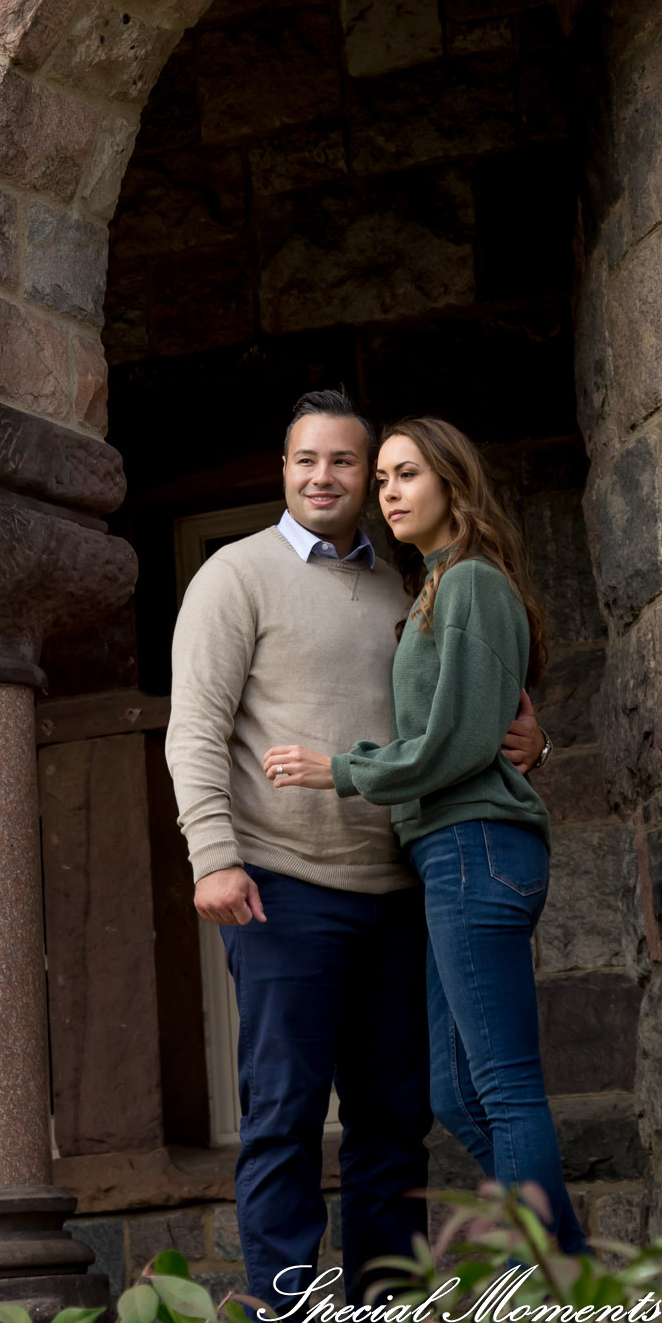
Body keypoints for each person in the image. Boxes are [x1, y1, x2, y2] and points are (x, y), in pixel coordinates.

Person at [165, 389, 546, 1323]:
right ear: (284, 469)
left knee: (394, 1132)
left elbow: (457, 711)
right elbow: (195, 731)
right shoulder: (232, 575)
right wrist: (213, 855)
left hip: (403, 889)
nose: (327, 478)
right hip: (282, 885)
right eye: (309, 461)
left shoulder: (407, 584)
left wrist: (530, 740)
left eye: (350, 464)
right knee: (285, 1124)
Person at [264, 415, 587, 1255]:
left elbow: (459, 743)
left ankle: (568, 1301)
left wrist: (343, 769)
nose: (389, 493)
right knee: (454, 1094)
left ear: (453, 484)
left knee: (507, 1090)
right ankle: (579, 1276)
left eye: (406, 475)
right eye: (384, 481)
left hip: (475, 845)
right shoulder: (439, 586)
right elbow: (488, 730)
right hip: (445, 852)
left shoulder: (473, 582)